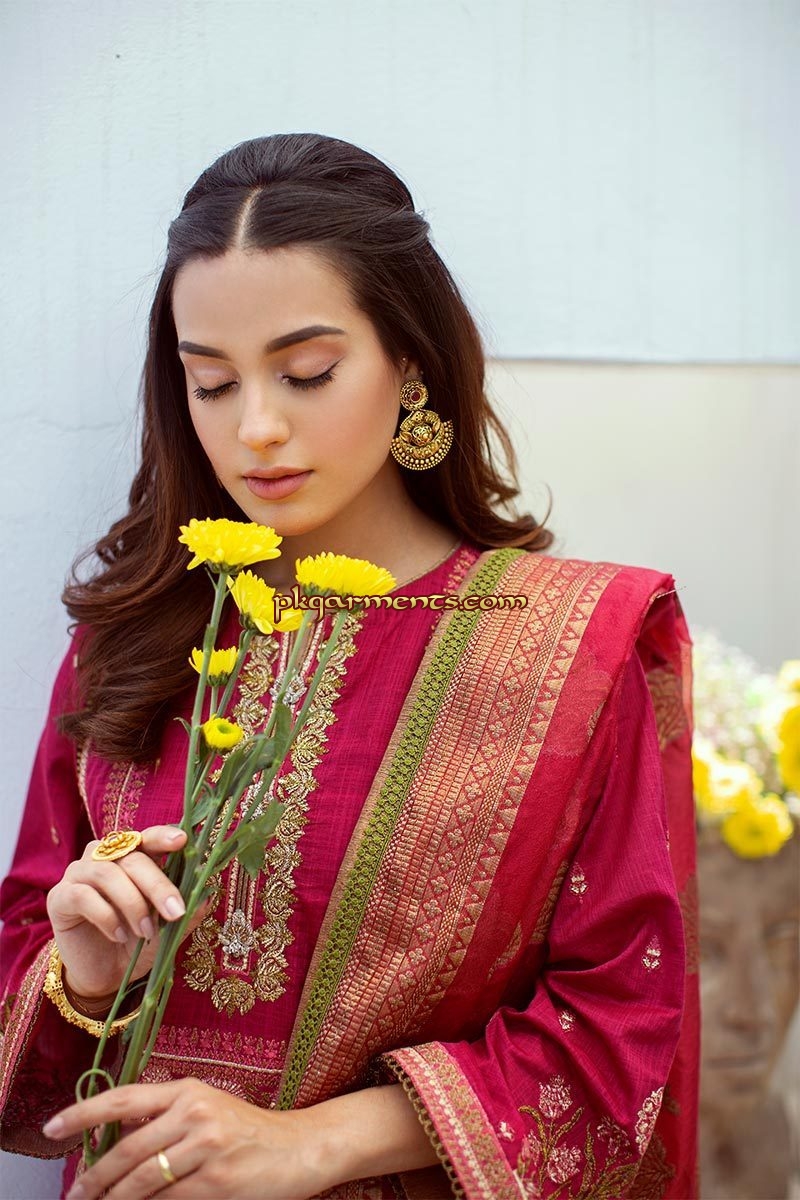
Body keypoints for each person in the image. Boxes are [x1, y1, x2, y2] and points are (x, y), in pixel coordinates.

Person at [0, 133, 698, 1200]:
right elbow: (25, 996)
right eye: (211, 383)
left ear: (409, 362)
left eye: (307, 373)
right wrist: (85, 979)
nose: (257, 428)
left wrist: (318, 1142)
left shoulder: (574, 645)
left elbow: (621, 1028)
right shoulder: (130, 638)